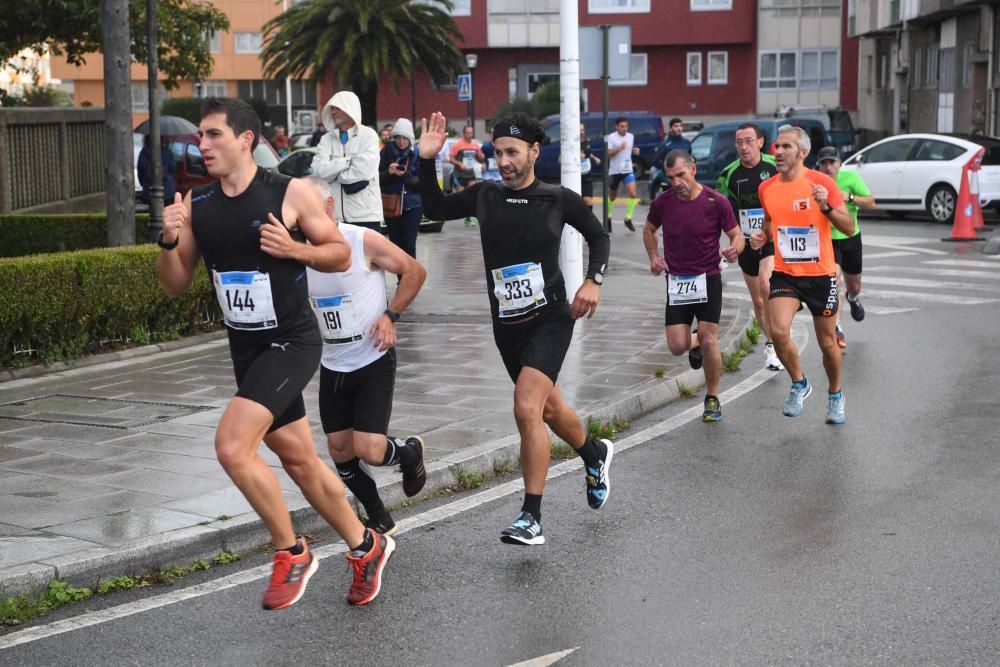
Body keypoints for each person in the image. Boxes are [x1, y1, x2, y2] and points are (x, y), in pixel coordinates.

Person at [156, 98, 393, 609]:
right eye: (200, 136)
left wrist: (295, 250)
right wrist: (169, 239)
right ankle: (366, 545)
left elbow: (340, 251)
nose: (203, 145)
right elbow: (175, 285)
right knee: (300, 460)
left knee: (232, 447)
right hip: (247, 348)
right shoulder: (199, 206)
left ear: (245, 140)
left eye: (213, 135)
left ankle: (292, 552)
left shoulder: (289, 193)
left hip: (292, 342)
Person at [418, 111, 613, 546]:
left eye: (511, 152)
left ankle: (531, 516)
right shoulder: (485, 195)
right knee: (548, 409)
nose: (503, 160)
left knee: (526, 407)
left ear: (533, 152)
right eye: (498, 152)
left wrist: (592, 280)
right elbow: (433, 208)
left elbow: (599, 237)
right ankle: (593, 453)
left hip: (551, 320)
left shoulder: (559, 199)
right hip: (507, 326)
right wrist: (426, 161)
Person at [303, 176, 428, 537]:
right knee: (340, 449)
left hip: (373, 357)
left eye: (306, 211)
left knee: (370, 449)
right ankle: (379, 517)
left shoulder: (361, 240)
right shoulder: (301, 253)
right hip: (333, 362)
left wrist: (391, 315)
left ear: (328, 207)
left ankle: (410, 455)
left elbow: (415, 271)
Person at [750, 125, 856, 424]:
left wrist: (826, 208)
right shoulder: (767, 187)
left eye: (786, 147)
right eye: (777, 146)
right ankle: (799, 383)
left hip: (821, 275)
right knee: (778, 330)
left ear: (803, 153)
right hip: (786, 273)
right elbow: (771, 221)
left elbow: (847, 227)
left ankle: (835, 394)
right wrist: (763, 235)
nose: (778, 152)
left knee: (827, 343)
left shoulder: (822, 183)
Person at [644, 150, 743, 422]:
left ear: (693, 169)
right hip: (677, 281)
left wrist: (734, 249)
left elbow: (736, 235)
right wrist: (654, 256)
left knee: (711, 340)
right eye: (671, 177)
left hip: (708, 278)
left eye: (681, 175)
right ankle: (696, 339)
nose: (676, 183)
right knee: (677, 346)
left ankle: (712, 397)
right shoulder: (663, 203)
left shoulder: (716, 201)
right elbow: (648, 229)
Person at [715, 123, 783, 371]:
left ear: (760, 142)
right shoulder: (729, 175)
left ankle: (777, 338)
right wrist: (726, 245)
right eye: (739, 142)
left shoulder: (774, 167)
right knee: (758, 299)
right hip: (745, 241)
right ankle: (770, 344)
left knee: (767, 285)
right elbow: (722, 214)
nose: (743, 147)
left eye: (748, 141)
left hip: (772, 238)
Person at [815, 146, 876, 350]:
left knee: (854, 284)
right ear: (818, 166)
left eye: (832, 162)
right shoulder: (814, 182)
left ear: (840, 164)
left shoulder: (851, 178)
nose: (828, 167)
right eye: (824, 163)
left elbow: (871, 203)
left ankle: (853, 297)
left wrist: (849, 197)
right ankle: (837, 327)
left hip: (850, 236)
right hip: (827, 240)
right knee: (835, 279)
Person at [311, 91, 384, 232]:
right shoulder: (326, 139)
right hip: (334, 218)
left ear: (350, 108)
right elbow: (318, 171)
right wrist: (346, 162)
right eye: (332, 108)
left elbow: (363, 172)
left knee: (366, 255)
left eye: (338, 108)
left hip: (366, 217)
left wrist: (334, 174)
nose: (333, 112)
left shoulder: (369, 136)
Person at [379, 118, 422, 258]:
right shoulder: (386, 152)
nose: (401, 141)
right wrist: (389, 173)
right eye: (398, 137)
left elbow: (422, 183)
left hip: (413, 205)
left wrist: (404, 175)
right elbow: (377, 179)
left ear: (410, 139)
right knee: (396, 245)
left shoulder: (417, 154)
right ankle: (401, 279)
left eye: (405, 138)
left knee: (409, 245)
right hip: (392, 205)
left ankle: (411, 278)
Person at [606, 117, 640, 231]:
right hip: (614, 170)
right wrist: (619, 148)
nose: (624, 128)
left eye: (626, 126)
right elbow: (608, 154)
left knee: (633, 193)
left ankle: (628, 218)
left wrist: (634, 150)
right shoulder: (611, 137)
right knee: (612, 196)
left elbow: (629, 149)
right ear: (616, 127)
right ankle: (608, 217)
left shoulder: (631, 136)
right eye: (622, 126)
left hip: (627, 169)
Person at [448, 124, 484, 227]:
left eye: (471, 133)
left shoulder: (475, 145)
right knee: (462, 197)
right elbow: (450, 158)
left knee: (471, 195)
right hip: (459, 174)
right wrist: (459, 164)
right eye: (468, 133)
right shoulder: (458, 145)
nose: (470, 135)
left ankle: (468, 218)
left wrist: (481, 158)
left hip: (470, 174)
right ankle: (456, 211)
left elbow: (480, 158)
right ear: (464, 133)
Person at [649, 118, 692, 201]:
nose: (679, 128)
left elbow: (689, 157)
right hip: (669, 181)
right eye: (676, 126)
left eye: (680, 126)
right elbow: (655, 161)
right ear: (671, 128)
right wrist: (668, 172)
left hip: (684, 179)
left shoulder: (686, 142)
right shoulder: (665, 144)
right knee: (671, 202)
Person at [137, 134, 176, 206]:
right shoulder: (167, 152)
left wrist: (146, 185)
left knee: (151, 215)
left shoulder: (143, 153)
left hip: (149, 192)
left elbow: (140, 173)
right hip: (167, 191)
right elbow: (173, 168)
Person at [580, 122, 600, 209]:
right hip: (576, 178)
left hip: (587, 177)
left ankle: (588, 221)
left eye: (582, 130)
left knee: (588, 201)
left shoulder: (588, 142)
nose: (581, 132)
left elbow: (587, 153)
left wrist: (595, 158)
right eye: (579, 130)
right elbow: (560, 159)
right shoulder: (571, 144)